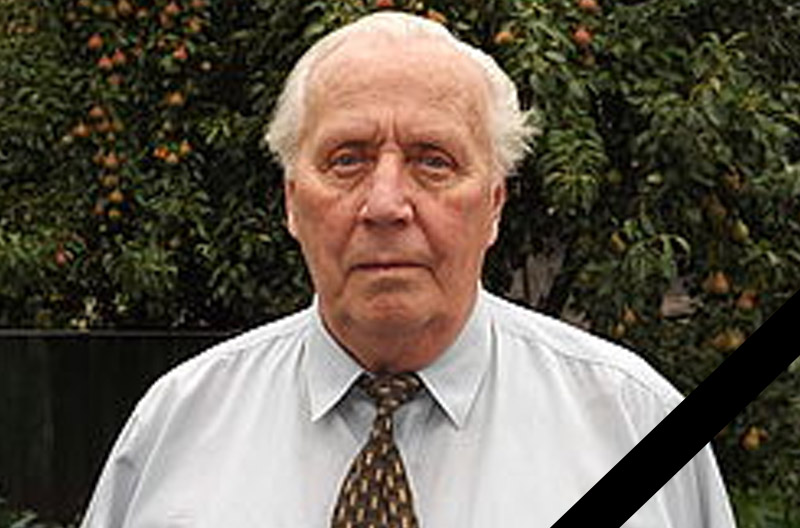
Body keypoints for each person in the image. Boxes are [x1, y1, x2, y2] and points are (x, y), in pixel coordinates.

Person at [80, 11, 736, 528]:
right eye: (347, 159)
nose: (386, 205)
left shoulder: (632, 424)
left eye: (433, 161)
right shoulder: (176, 428)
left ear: (495, 204)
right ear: (291, 202)